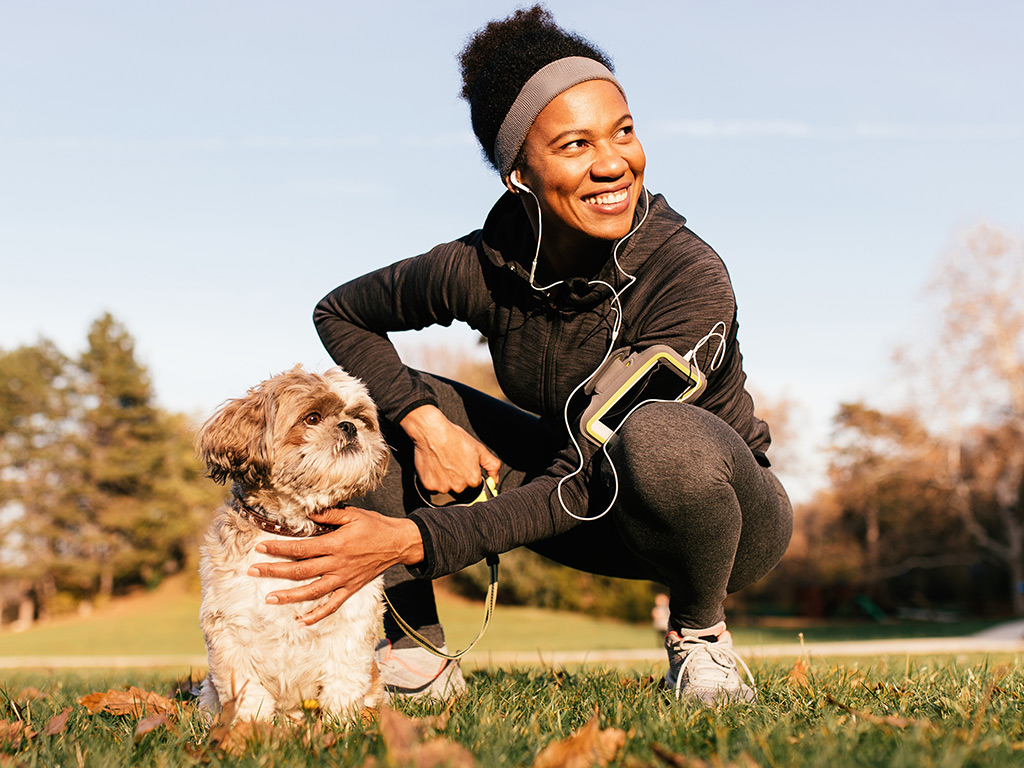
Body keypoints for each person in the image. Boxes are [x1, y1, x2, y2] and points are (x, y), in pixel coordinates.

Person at [248, 5, 793, 705]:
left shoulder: (688, 278)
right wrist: (425, 422)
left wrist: (413, 539)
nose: (613, 163)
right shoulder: (483, 265)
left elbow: (587, 468)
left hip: (717, 526)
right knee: (387, 407)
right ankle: (416, 655)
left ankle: (701, 641)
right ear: (519, 175)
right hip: (577, 509)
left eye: (623, 132)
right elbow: (342, 313)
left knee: (660, 438)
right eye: (574, 145)